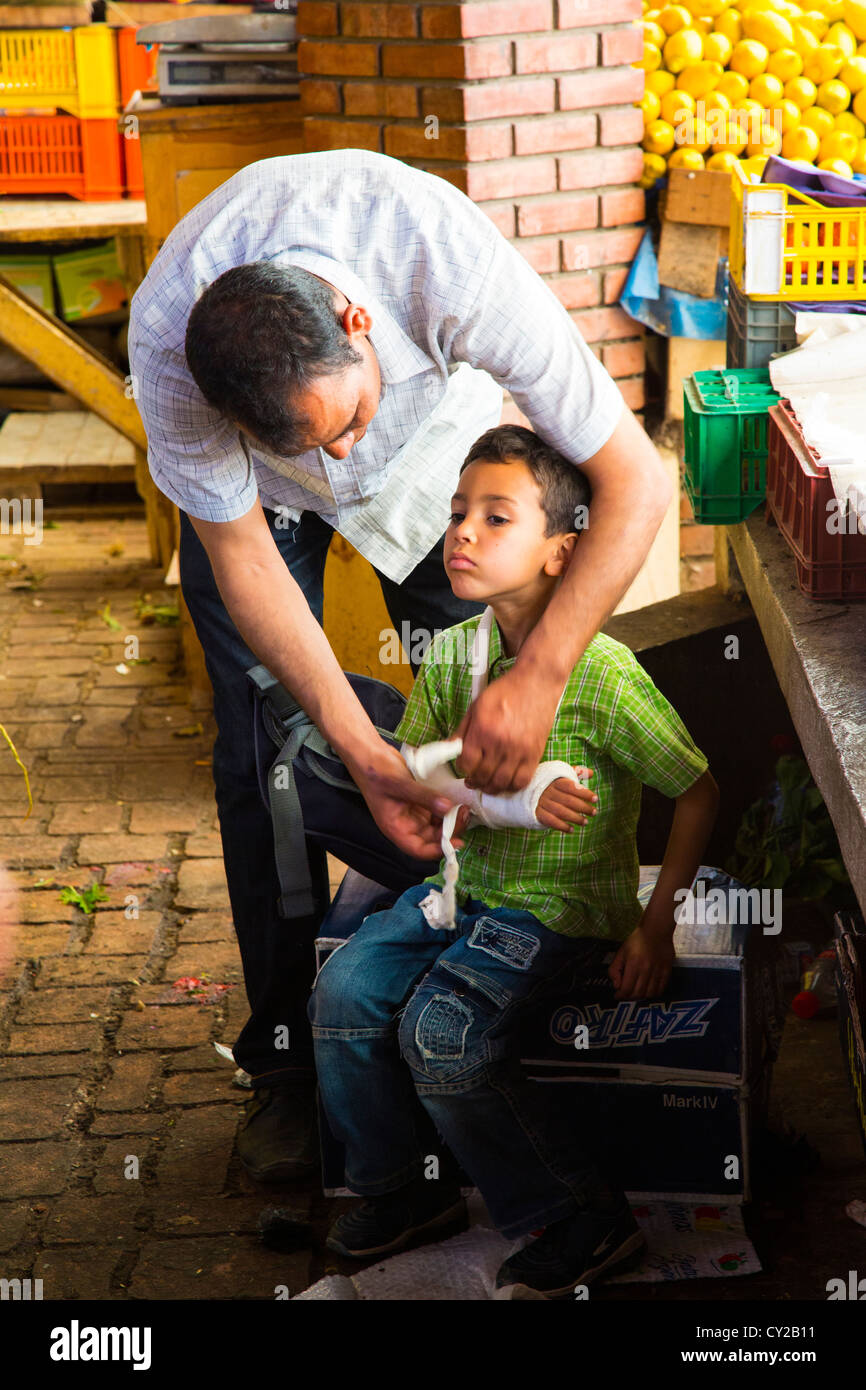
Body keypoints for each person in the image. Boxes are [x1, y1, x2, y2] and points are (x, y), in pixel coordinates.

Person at [127, 148, 672, 1182]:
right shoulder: (169, 350)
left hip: (431, 454)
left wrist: (538, 671)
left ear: (358, 321)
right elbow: (242, 558)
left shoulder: (435, 250)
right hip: (256, 501)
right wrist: (362, 752)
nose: (340, 460)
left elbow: (631, 483)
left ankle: (519, 1001)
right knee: (264, 762)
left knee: (486, 715)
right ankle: (288, 1066)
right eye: (316, 443)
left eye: (347, 423)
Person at [309, 426, 719, 1297]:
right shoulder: (452, 655)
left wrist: (655, 925)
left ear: (560, 554)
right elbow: (421, 780)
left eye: (496, 518)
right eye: (459, 513)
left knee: (440, 1033)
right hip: (464, 892)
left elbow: (698, 792)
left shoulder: (603, 676)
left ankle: (581, 1217)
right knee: (341, 994)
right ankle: (400, 1190)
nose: (462, 532)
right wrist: (472, 797)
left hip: (558, 910)